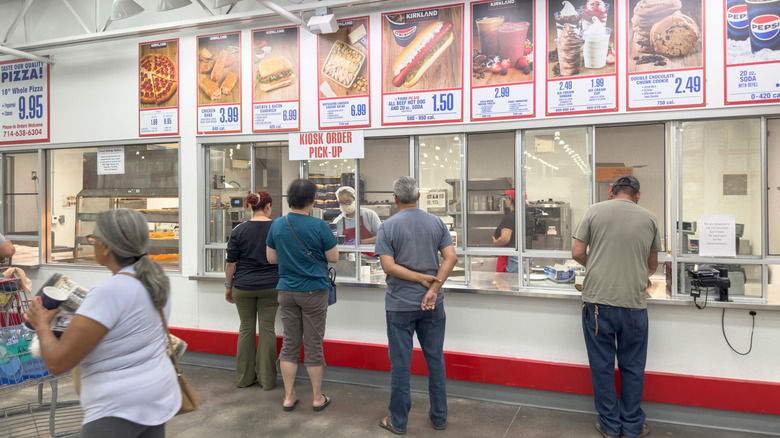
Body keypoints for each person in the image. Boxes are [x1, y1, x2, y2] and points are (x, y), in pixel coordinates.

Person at [25, 209, 180, 438]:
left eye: (94, 239)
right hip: (157, 395)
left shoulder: (109, 291)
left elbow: (58, 363)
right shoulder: (156, 280)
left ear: (107, 247)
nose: (93, 243)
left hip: (118, 407)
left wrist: (41, 325)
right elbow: (126, 333)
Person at [571, 175, 660, 438]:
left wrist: (597, 266)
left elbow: (577, 252)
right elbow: (652, 264)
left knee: (602, 365)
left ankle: (609, 425)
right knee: (633, 366)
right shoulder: (650, 218)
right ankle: (632, 426)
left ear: (611, 192)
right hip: (634, 304)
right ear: (638, 195)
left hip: (598, 303)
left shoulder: (593, 211)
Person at [374, 176, 458, 435]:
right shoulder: (436, 222)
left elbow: (388, 267)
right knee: (436, 360)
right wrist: (432, 287)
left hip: (400, 305)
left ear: (395, 198)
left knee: (400, 364)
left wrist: (418, 278)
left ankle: (398, 421)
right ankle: (439, 417)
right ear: (419, 196)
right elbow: (451, 258)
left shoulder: (387, 227)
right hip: (433, 305)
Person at [266, 179, 339, 412]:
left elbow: (271, 259)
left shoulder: (277, 224)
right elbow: (334, 257)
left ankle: (289, 396)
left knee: (289, 343)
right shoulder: (319, 226)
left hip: (286, 290)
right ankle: (317, 398)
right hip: (313, 292)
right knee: (313, 345)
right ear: (311, 200)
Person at [224, 190, 279, 389]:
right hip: (271, 285)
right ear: (269, 206)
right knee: (267, 329)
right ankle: (267, 380)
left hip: (243, 286)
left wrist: (228, 287)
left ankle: (244, 378)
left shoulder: (239, 230)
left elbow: (231, 263)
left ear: (251, 207)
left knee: (246, 328)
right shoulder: (277, 227)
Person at [493, 189, 517, 273]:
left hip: (510, 259)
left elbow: (504, 239)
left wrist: (496, 242)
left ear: (510, 200)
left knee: (506, 284)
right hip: (524, 258)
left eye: (508, 198)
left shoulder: (509, 218)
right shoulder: (527, 216)